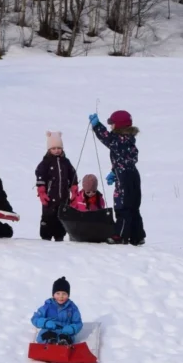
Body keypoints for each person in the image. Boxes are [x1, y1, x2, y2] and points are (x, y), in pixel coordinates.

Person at [87, 110, 145, 245]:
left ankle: (120, 235)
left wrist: (96, 125)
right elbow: (124, 159)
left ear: (119, 125)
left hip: (125, 178)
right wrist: (114, 171)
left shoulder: (119, 140)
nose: (110, 127)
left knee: (123, 206)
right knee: (133, 207)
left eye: (112, 124)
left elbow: (106, 138)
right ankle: (137, 236)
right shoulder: (127, 140)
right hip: (132, 175)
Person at [35, 131, 78, 241]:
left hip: (63, 197)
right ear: (49, 149)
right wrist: (42, 191)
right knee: (48, 217)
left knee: (61, 217)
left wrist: (74, 188)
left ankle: (60, 236)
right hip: (49, 197)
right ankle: (46, 237)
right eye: (53, 148)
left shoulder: (66, 162)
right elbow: (40, 175)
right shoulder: (45, 163)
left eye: (59, 148)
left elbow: (73, 174)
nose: (56, 150)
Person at [31, 276, 82, 345]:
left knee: (65, 338)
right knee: (46, 335)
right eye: (58, 293)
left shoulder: (72, 308)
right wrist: (46, 322)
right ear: (53, 295)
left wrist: (72, 328)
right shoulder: (48, 306)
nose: (61, 296)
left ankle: (63, 345)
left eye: (64, 294)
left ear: (68, 295)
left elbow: (78, 323)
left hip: (65, 332)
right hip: (49, 330)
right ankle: (50, 343)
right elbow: (35, 318)